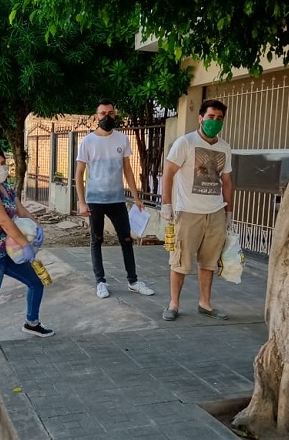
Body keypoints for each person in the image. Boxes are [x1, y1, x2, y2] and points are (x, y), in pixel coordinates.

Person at [0, 146, 54, 346]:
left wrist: (38, 226)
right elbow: (4, 222)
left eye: (3, 164)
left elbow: (21, 211)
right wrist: (26, 245)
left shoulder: (6, 188)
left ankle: (32, 323)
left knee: (36, 282)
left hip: (8, 252)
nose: (0, 168)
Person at [160, 99, 235, 321]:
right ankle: (173, 304)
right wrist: (166, 204)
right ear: (200, 118)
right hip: (188, 212)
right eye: (211, 117)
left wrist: (229, 212)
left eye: (219, 119)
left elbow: (228, 182)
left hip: (215, 214)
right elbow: (168, 172)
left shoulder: (224, 147)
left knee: (209, 261)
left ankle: (205, 303)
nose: (214, 122)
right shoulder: (186, 142)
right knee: (181, 260)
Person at [75, 99, 155, 299]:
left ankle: (133, 281)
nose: (106, 117)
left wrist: (136, 198)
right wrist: (82, 202)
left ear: (115, 115)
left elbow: (127, 169)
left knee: (126, 239)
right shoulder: (88, 141)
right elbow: (79, 173)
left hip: (117, 200)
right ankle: (100, 281)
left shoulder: (122, 139)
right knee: (97, 240)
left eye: (110, 113)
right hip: (95, 200)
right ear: (96, 116)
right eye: (102, 113)